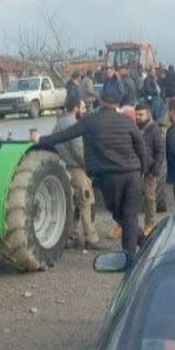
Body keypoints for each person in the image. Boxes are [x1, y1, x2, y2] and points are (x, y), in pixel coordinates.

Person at [31, 89, 150, 255]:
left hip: (110, 177)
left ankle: (129, 256)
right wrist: (144, 171)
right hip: (133, 175)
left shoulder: (90, 122)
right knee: (128, 216)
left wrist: (41, 139)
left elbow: (65, 135)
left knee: (121, 214)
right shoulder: (128, 122)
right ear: (117, 104)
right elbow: (141, 147)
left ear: (100, 101)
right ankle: (143, 243)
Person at [53, 95, 100, 250]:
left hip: (61, 167)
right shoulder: (73, 125)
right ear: (75, 108)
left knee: (70, 204)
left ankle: (69, 234)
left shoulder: (59, 123)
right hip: (76, 169)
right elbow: (78, 149)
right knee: (87, 201)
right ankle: (91, 238)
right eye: (83, 107)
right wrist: (88, 166)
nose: (85, 110)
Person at [136, 102, 165, 235]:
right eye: (136, 114)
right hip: (136, 169)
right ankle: (126, 226)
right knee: (130, 198)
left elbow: (160, 152)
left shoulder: (155, 130)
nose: (138, 117)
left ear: (148, 114)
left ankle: (149, 224)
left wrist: (155, 170)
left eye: (141, 114)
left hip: (149, 171)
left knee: (149, 198)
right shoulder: (135, 128)